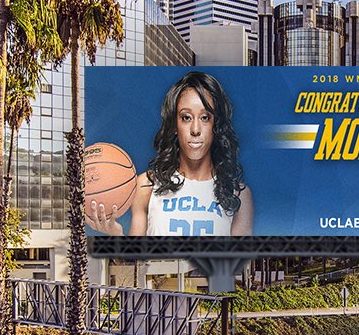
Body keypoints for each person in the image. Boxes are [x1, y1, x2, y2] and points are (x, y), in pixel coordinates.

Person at [89, 71, 253, 237]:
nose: (195, 130)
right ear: (174, 125)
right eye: (186, 117)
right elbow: (133, 260)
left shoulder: (238, 194)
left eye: (205, 117)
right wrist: (115, 238)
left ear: (216, 126)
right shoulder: (146, 185)